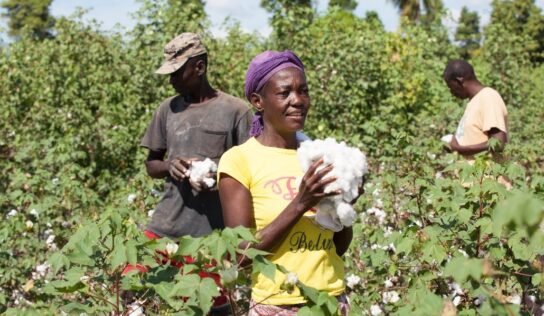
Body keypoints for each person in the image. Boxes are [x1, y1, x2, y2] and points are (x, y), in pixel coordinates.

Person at [217, 50, 355, 315]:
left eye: (303, 91)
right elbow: (241, 257)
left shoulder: (317, 155)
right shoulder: (239, 161)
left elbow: (336, 247)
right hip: (278, 305)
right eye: (285, 93)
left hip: (331, 302)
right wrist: (301, 203)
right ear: (258, 101)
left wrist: (344, 208)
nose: (298, 101)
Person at [128, 32, 253, 312]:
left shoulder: (235, 111)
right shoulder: (167, 110)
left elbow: (251, 169)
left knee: (210, 306)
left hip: (211, 237)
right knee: (134, 291)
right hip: (165, 227)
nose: (170, 80)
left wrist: (217, 176)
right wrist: (169, 165)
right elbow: (152, 165)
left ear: (199, 67)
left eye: (176, 72)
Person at [443, 60, 508, 157]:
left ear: (458, 81)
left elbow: (499, 143)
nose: (451, 92)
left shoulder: (488, 97)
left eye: (450, 86)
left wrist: (460, 149)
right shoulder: (474, 101)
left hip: (487, 172)